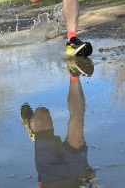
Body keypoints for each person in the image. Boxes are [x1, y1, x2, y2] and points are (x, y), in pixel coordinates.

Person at [20, 58, 95, 187]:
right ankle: (74, 73)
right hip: (77, 175)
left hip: (51, 177)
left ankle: (34, 129)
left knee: (42, 113)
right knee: (77, 124)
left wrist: (41, 177)